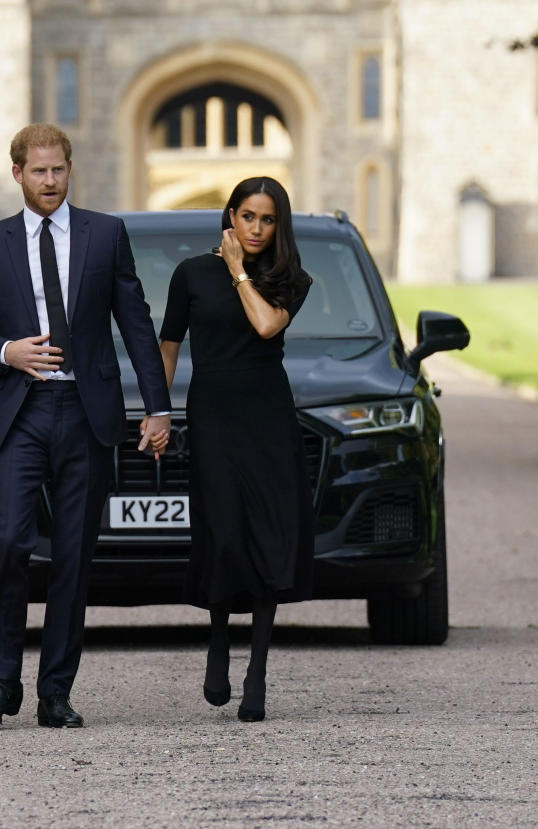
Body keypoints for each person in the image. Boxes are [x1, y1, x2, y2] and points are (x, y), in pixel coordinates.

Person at [0, 123, 172, 729]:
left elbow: (136, 322)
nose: (49, 181)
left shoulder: (106, 234)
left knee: (74, 553)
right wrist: (6, 352)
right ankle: (2, 682)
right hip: (19, 410)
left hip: (86, 412)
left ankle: (56, 692)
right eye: (38, 171)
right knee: (10, 541)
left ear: (70, 170)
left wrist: (157, 406)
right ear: (16, 173)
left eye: (58, 170)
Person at [157, 176, 314, 723]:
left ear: (279, 225)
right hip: (214, 417)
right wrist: (158, 412)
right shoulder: (190, 274)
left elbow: (267, 325)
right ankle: (220, 643)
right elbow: (169, 348)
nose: (257, 228)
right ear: (230, 215)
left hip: (267, 417)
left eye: (268, 219)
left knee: (267, 535)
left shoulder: (289, 277)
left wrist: (239, 273)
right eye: (248, 216)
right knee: (223, 532)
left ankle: (258, 674)